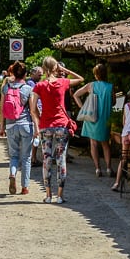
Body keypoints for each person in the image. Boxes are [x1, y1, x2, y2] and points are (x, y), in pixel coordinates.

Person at [31, 56, 84, 204]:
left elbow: (33, 108)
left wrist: (40, 118)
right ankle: (60, 196)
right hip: (61, 125)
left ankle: (48, 195)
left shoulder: (39, 86)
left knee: (46, 159)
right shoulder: (63, 82)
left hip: (45, 126)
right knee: (61, 160)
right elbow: (80, 79)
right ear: (56, 68)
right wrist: (64, 70)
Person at [0, 61, 37, 196]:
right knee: (26, 157)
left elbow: (1, 109)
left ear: (12, 73)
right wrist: (37, 129)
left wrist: (2, 127)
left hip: (10, 125)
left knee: (14, 155)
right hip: (26, 125)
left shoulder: (6, 88)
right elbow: (33, 111)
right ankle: (25, 187)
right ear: (25, 74)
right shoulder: (28, 88)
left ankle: (12, 174)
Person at [73, 63, 114, 178]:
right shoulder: (110, 87)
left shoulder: (90, 86)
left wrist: (83, 108)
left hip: (91, 117)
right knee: (105, 144)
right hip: (105, 118)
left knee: (93, 144)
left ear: (95, 75)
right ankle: (109, 168)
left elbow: (76, 95)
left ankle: (97, 169)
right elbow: (114, 102)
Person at [28, 66, 44, 165]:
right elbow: (33, 100)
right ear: (32, 74)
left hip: (37, 111)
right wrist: (38, 112)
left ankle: (33, 157)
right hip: (35, 113)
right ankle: (33, 158)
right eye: (39, 74)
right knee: (36, 135)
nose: (41, 76)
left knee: (36, 135)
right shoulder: (31, 83)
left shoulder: (36, 83)